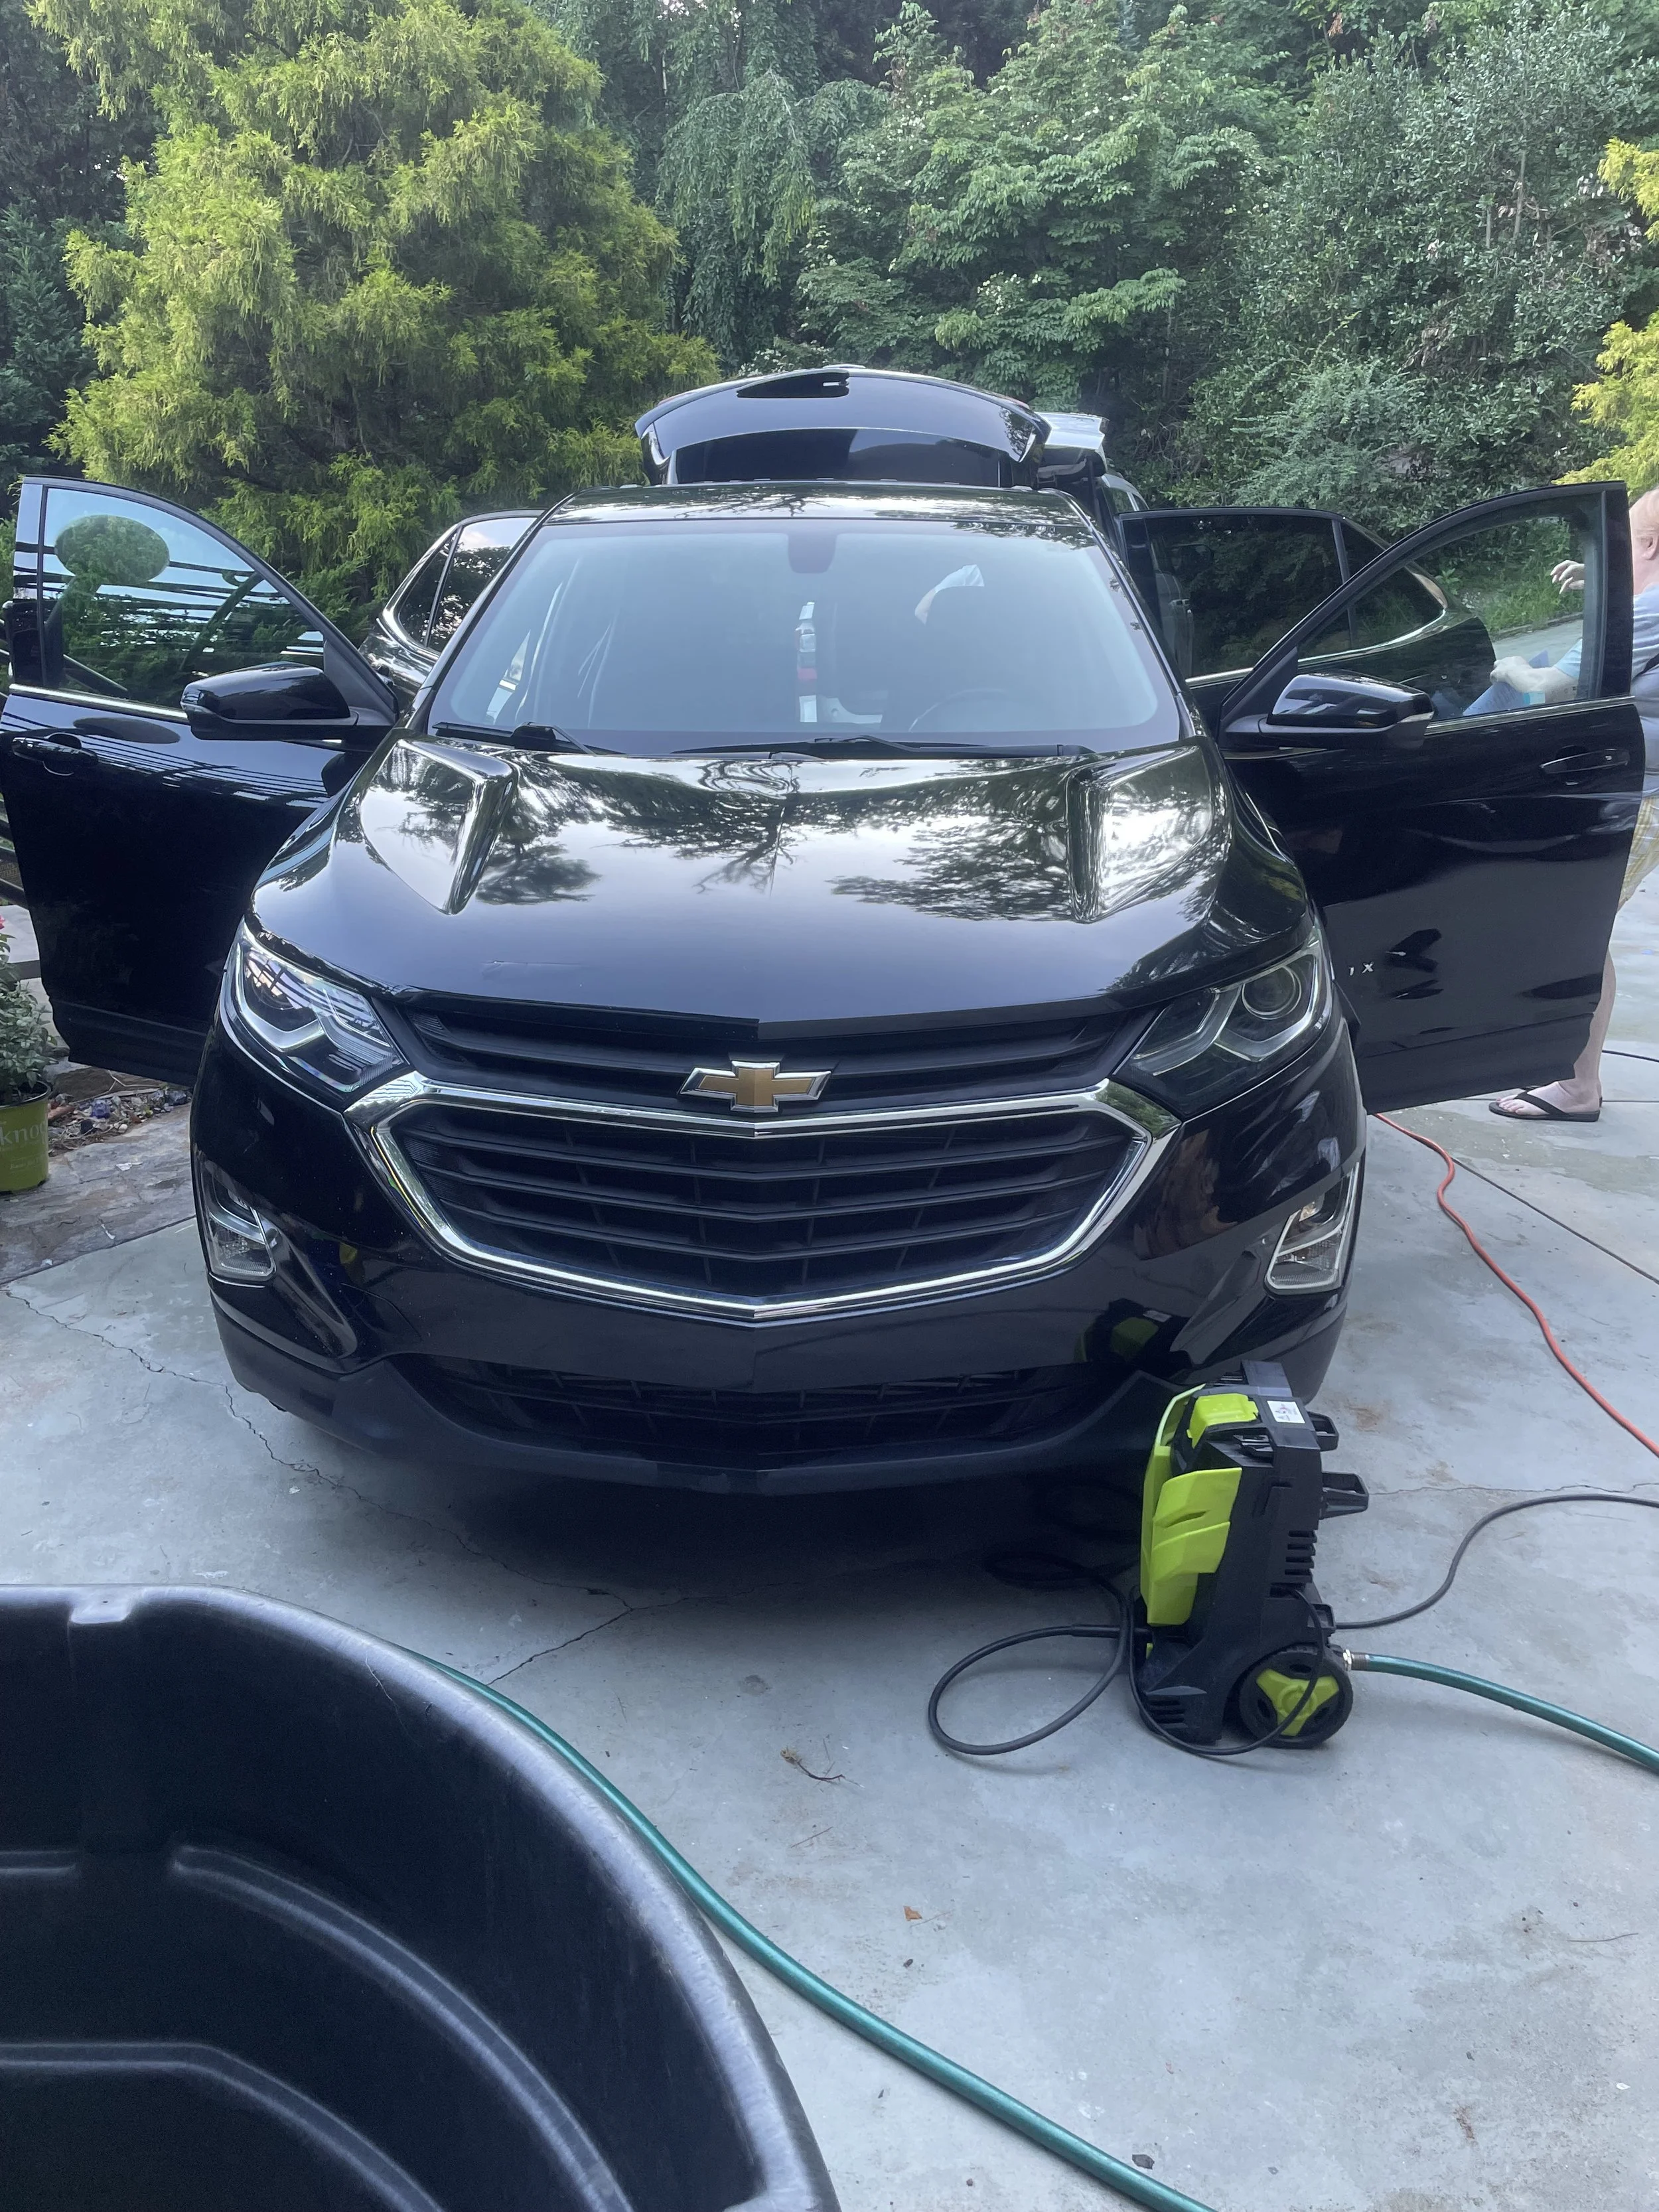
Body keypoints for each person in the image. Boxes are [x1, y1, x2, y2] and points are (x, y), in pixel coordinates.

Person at [1491, 486, 1659, 1123]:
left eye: (1620, 549)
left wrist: (1508, 667)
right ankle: (1574, 1078)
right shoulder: (1647, 599)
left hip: (1638, 794)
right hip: (1644, 785)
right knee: (1585, 934)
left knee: (1578, 938)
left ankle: (1577, 1086)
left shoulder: (1648, 611)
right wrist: (1599, 579)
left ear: (1646, 545)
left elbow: (1551, 687)